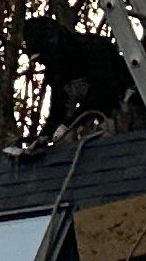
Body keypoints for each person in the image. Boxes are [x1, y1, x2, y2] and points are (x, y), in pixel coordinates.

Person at [11, 13, 132, 160]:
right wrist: (45, 135)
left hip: (127, 105)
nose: (42, 63)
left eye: (43, 57)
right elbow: (59, 108)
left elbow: (103, 93)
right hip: (100, 118)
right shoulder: (55, 70)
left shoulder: (94, 49)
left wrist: (68, 124)